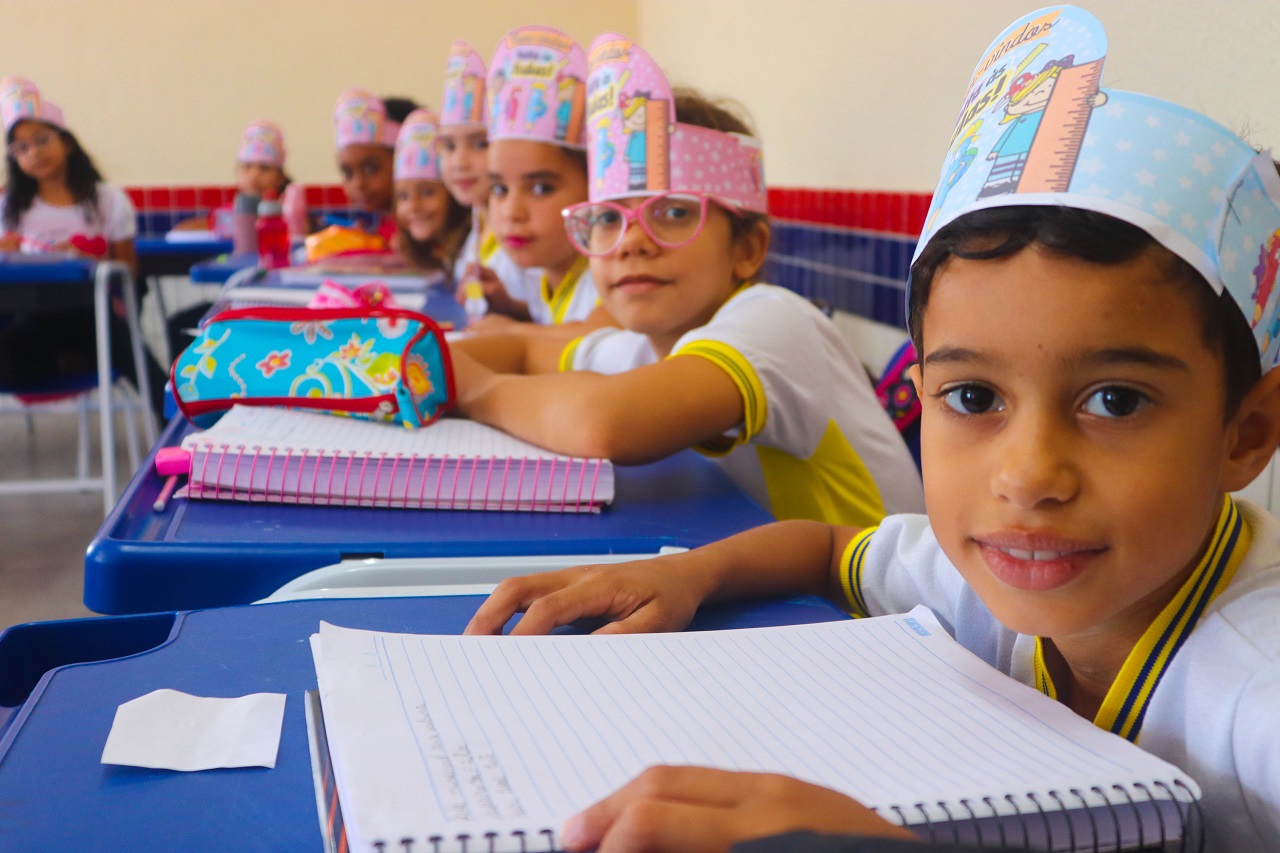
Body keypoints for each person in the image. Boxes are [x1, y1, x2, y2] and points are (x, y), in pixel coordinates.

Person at [463, 10, 1280, 851]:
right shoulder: (988, 568)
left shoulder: (1258, 693)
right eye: (973, 399)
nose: (1028, 475)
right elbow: (826, 550)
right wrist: (690, 576)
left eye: (1114, 401)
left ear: (1247, 431)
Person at [450, 35, 923, 526]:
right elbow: (523, 351)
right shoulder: (644, 347)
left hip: (882, 599)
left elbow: (604, 424)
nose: (631, 241)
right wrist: (427, 364)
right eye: (609, 220)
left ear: (746, 250)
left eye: (674, 213)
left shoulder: (774, 321)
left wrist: (474, 389)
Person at [0, 76, 165, 416]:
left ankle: (182, 438)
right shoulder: (10, 207)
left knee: (128, 352)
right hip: (32, 316)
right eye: (22, 149)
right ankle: (70, 360)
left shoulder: (107, 200)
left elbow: (130, 272)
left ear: (67, 143)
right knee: (21, 344)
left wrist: (88, 258)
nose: (34, 153)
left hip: (94, 311)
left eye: (42, 140)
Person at [467, 24, 612, 337]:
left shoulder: (608, 282)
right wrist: (512, 310)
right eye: (499, 189)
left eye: (541, 188)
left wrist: (511, 335)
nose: (511, 212)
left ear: (596, 189)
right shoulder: (552, 271)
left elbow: (583, 339)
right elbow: (555, 325)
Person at [438, 39, 536, 321]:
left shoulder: (524, 228)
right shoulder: (477, 223)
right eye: (449, 146)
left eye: (480, 144)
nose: (460, 162)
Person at [331, 88, 419, 243]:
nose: (358, 184)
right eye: (348, 173)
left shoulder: (422, 231)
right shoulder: (379, 228)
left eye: (371, 169)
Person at [391, 108, 469, 272]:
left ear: (452, 193)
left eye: (427, 192)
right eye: (403, 196)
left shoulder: (469, 252)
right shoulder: (431, 253)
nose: (413, 206)